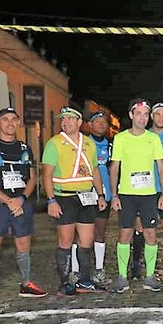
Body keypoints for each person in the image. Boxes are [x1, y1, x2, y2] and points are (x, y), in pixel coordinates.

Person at [0, 107, 48, 307]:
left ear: (18, 123)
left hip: (21, 205)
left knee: (24, 246)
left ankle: (26, 284)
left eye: (13, 119)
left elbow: (31, 178)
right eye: (5, 119)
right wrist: (9, 201)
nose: (10, 123)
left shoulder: (24, 148)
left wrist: (21, 198)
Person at [42, 106, 107, 296]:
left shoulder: (89, 143)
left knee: (86, 240)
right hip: (64, 197)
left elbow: (94, 170)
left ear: (79, 122)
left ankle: (84, 281)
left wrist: (100, 195)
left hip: (86, 196)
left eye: (70, 118)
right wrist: (51, 200)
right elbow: (46, 175)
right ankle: (65, 283)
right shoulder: (54, 143)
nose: (66, 122)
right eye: (63, 119)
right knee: (66, 240)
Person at [109, 98, 163, 293]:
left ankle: (150, 277)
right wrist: (114, 195)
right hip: (127, 194)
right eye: (139, 114)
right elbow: (114, 168)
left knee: (151, 234)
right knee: (125, 234)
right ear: (131, 115)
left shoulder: (153, 139)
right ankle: (122, 277)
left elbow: (161, 167)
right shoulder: (120, 138)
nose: (143, 118)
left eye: (146, 114)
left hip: (149, 195)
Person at [130, 102, 163, 279]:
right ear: (151, 116)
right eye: (157, 114)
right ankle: (136, 263)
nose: (160, 118)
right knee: (140, 227)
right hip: (144, 189)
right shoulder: (142, 135)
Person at [71, 110, 112, 286]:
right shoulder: (83, 143)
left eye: (104, 122)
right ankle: (75, 271)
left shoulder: (111, 145)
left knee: (100, 233)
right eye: (97, 121)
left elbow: (114, 169)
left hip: (105, 195)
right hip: (84, 194)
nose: (101, 124)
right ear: (89, 124)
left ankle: (99, 270)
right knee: (79, 235)